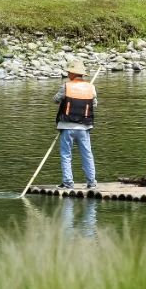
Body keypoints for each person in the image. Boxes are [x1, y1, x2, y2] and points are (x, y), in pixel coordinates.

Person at [54, 58, 98, 190]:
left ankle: (68, 183)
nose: (68, 74)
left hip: (67, 126)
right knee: (87, 153)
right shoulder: (91, 87)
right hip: (84, 127)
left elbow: (55, 99)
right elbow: (94, 104)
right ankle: (91, 182)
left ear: (73, 74)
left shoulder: (66, 86)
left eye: (69, 72)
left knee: (66, 154)